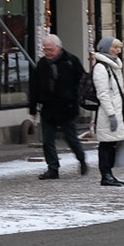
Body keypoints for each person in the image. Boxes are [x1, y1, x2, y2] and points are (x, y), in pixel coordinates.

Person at [27, 34, 88, 180]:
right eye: (45, 49)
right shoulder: (42, 64)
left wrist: (76, 99)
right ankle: (52, 168)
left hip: (67, 108)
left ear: (58, 48)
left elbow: (83, 81)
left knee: (71, 138)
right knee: (47, 140)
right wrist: (33, 107)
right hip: (48, 108)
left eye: (50, 50)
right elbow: (34, 86)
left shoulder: (70, 61)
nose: (47, 52)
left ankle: (81, 159)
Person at [89, 36, 124, 187]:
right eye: (115, 48)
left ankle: (109, 174)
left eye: (119, 48)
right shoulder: (101, 67)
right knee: (106, 144)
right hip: (107, 112)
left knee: (113, 143)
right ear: (106, 49)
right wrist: (111, 114)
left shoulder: (113, 65)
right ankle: (105, 174)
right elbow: (103, 93)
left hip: (115, 110)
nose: (118, 51)